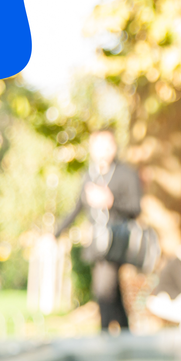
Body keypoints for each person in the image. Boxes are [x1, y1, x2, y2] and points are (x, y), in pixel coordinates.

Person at [56, 128, 143, 334]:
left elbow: (136, 208)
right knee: (113, 294)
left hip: (118, 242)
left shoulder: (126, 174)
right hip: (97, 242)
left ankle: (105, 338)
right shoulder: (89, 175)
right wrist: (55, 233)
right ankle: (125, 336)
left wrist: (110, 202)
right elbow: (76, 208)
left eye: (107, 145)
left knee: (103, 290)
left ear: (114, 147)